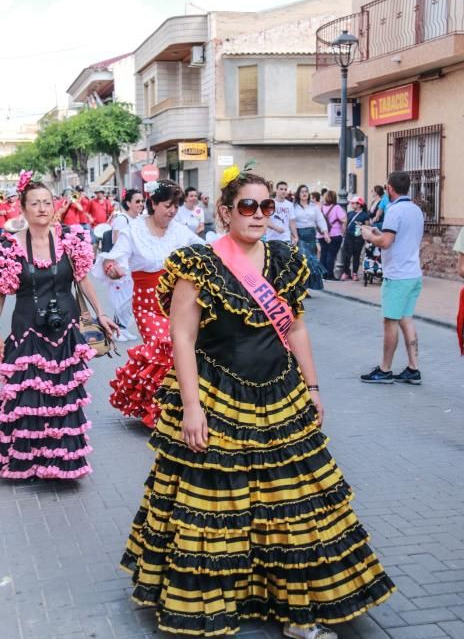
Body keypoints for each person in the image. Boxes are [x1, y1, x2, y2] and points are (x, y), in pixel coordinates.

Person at [120, 167, 395, 639]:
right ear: (225, 211)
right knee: (216, 503)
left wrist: (312, 386)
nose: (258, 215)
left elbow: (296, 328)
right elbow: (182, 339)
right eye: (247, 206)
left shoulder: (286, 260)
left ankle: (295, 610)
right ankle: (220, 600)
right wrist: (191, 405)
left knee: (291, 503)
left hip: (281, 392)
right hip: (217, 392)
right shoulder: (198, 263)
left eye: (266, 207)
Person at [0, 171, 117, 479]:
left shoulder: (70, 239)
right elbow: (1, 292)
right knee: (28, 398)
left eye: (47, 202)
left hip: (65, 329)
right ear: (23, 209)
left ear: (54, 206)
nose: (41, 208)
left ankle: (63, 462)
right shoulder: (9, 246)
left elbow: (82, 278)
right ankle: (31, 463)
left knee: (64, 398)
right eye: (34, 203)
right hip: (26, 329)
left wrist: (101, 314)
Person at [93, 180, 204, 428]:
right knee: (165, 349)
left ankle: (179, 410)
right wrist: (113, 269)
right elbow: (116, 258)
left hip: (178, 305)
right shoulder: (134, 231)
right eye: (167, 205)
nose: (172, 211)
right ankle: (158, 413)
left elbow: (204, 249)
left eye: (175, 205)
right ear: (153, 204)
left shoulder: (179, 230)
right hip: (146, 305)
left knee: (183, 352)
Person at [360, 172, 424, 385]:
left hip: (397, 275)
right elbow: (399, 237)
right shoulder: (416, 210)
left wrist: (370, 236)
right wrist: (379, 233)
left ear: (389, 188)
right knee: (406, 319)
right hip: (413, 272)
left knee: (390, 322)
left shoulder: (394, 210)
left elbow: (386, 243)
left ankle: (385, 369)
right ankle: (413, 368)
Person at [105, 188, 145, 342]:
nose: (141, 204)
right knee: (122, 298)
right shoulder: (122, 219)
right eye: (137, 201)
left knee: (130, 299)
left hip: (134, 264)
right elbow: (116, 241)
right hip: (123, 265)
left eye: (142, 201)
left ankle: (122, 328)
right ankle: (117, 330)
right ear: (128, 203)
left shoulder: (139, 219)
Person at [340, 196, 370, 281]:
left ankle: (355, 273)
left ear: (359, 204)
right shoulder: (349, 213)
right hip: (349, 236)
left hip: (359, 237)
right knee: (347, 255)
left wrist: (366, 237)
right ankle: (346, 272)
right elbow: (345, 224)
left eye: (353, 203)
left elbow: (367, 227)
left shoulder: (364, 215)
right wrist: (343, 232)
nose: (351, 204)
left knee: (356, 255)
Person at [319, 191, 346, 281]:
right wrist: (343, 231)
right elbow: (344, 219)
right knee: (331, 254)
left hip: (321, 234)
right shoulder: (337, 207)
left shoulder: (321, 207)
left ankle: (323, 274)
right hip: (335, 234)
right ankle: (330, 275)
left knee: (323, 254)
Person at [266, 180, 298, 244]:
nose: (283, 191)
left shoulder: (290, 204)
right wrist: (276, 228)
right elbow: (266, 220)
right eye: (281, 189)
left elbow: (292, 222)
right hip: (271, 238)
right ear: (277, 190)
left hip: (286, 239)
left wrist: (295, 236)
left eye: (285, 189)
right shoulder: (269, 203)